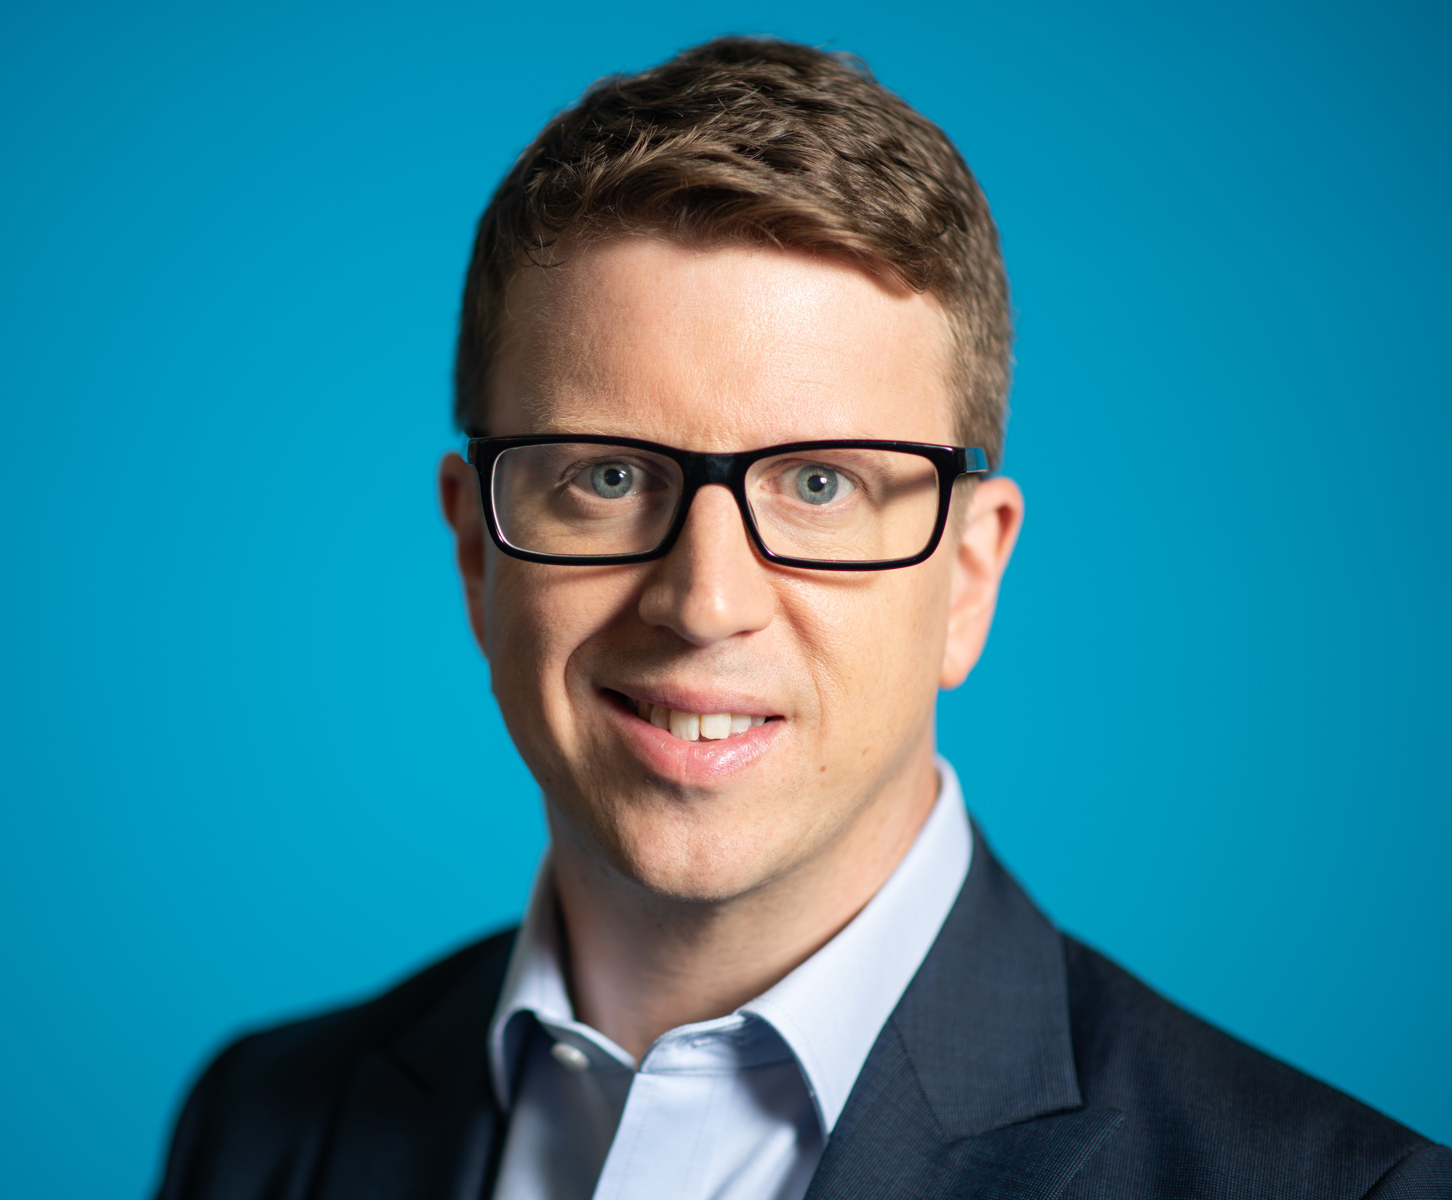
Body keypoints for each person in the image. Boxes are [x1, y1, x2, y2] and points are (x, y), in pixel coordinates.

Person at [154, 36, 1449, 1200]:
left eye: (819, 484)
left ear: (970, 575)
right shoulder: (262, 1129)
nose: (705, 601)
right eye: (608, 476)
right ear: (473, 551)